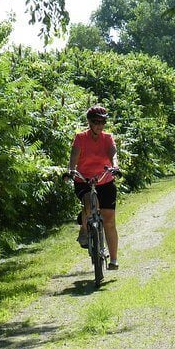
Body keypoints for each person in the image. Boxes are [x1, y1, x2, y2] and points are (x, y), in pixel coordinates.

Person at [67, 105, 120, 270]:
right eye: (96, 122)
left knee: (109, 219)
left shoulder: (108, 138)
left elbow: (113, 154)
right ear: (89, 122)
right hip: (84, 180)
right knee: (89, 203)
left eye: (102, 122)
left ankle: (113, 260)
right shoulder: (80, 138)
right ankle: (84, 228)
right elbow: (74, 156)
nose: (100, 125)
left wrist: (115, 166)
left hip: (105, 180)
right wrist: (70, 170)